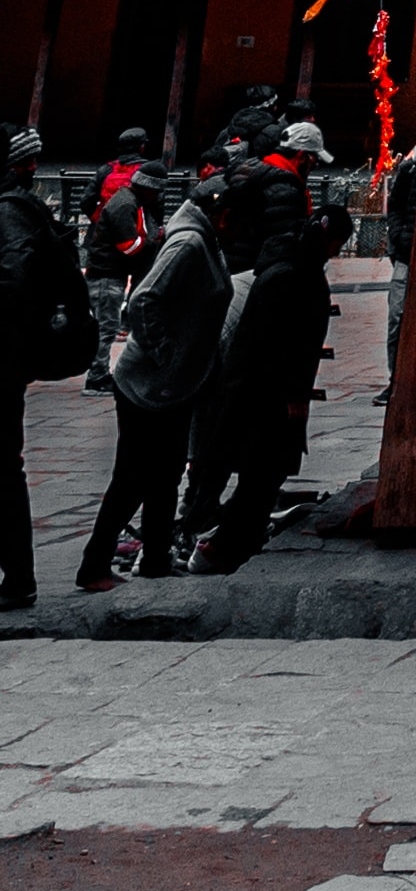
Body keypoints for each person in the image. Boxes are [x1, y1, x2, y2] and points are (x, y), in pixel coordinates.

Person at [78, 171, 226, 589]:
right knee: (133, 476)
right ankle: (94, 564)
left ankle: (157, 557)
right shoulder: (188, 242)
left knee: (166, 473)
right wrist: (165, 355)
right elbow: (144, 300)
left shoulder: (202, 238)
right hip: (147, 385)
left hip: (173, 385)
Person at [185, 163, 335, 570]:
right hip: (256, 388)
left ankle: (201, 522)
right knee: (249, 467)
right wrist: (294, 393)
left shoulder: (278, 265)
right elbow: (286, 347)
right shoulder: (289, 276)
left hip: (243, 384)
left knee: (227, 456)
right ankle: (208, 535)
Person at [4, 123, 95, 607]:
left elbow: (14, 281)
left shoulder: (9, 214)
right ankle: (17, 577)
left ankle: (18, 578)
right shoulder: (24, 210)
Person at [83, 131, 157, 391]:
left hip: (105, 250)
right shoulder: (142, 178)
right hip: (125, 255)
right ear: (142, 146)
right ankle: (97, 376)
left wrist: (99, 220)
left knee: (105, 317)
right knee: (107, 322)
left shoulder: (107, 170)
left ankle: (101, 370)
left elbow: (85, 200)